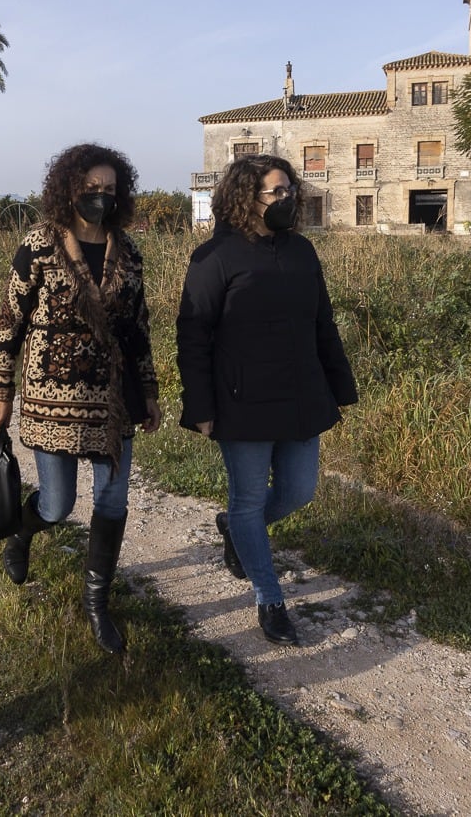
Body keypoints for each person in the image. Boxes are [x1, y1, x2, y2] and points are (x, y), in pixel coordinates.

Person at [175, 153, 358, 646]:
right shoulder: (214, 258)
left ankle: (235, 527)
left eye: (289, 191)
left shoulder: (301, 251)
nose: (287, 199)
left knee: (299, 491)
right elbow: (193, 336)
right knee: (250, 498)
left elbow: (323, 322)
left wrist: (339, 386)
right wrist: (202, 407)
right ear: (246, 200)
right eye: (276, 192)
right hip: (243, 400)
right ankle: (269, 597)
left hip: (302, 394)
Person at [0, 144, 161, 654]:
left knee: (112, 500)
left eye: (109, 190)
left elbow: (138, 327)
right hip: (49, 396)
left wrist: (149, 390)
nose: (100, 198)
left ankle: (97, 604)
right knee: (59, 505)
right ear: (68, 190)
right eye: (90, 189)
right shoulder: (38, 244)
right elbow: (8, 322)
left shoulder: (128, 252)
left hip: (113, 400)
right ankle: (22, 530)